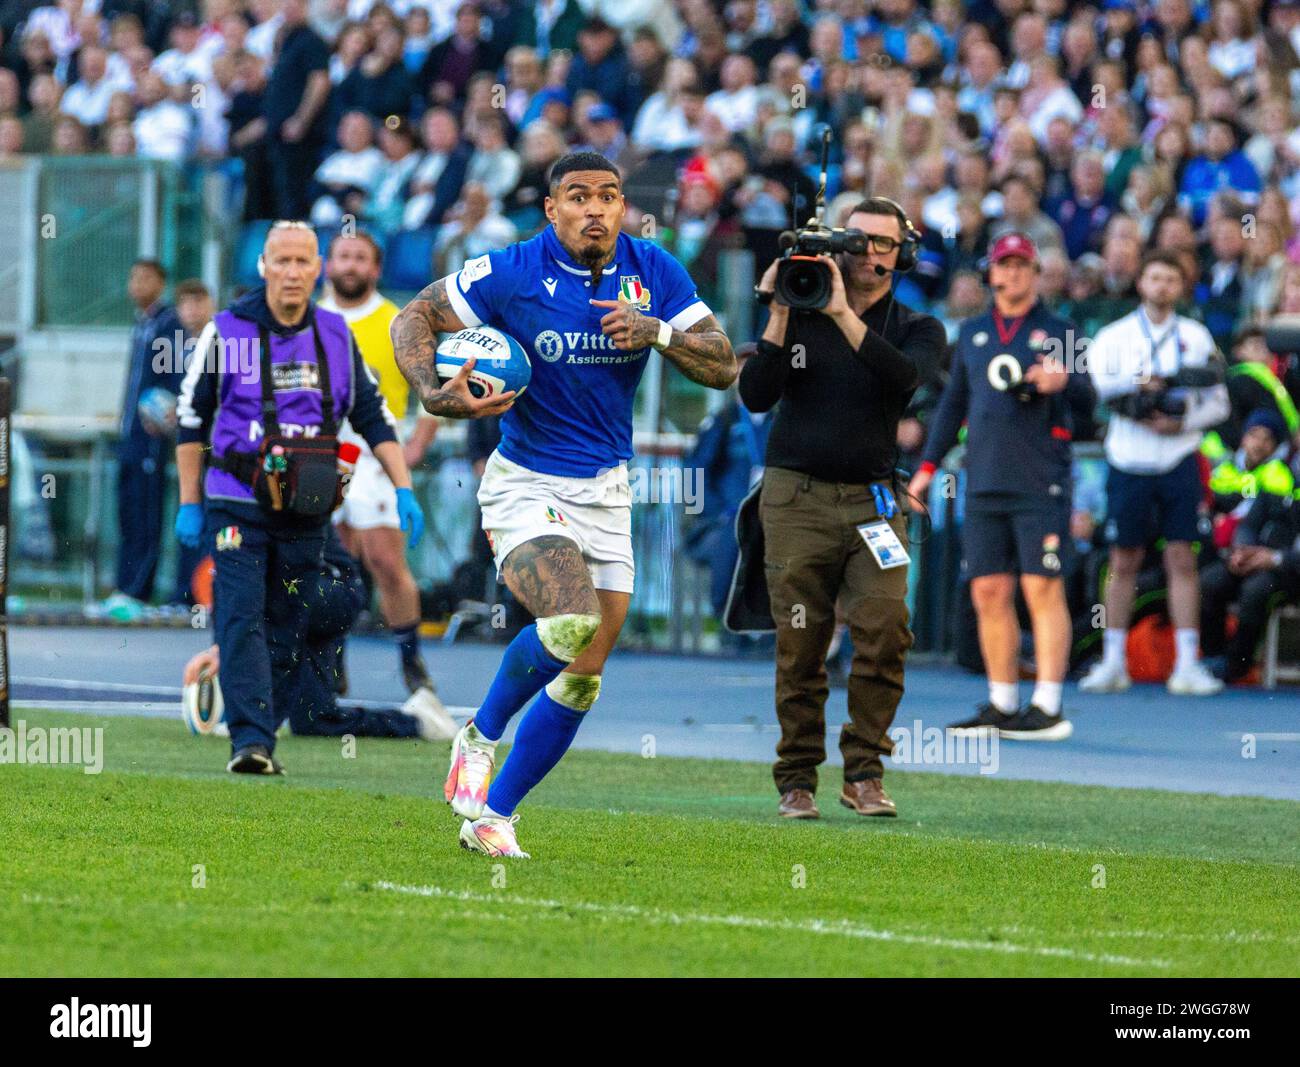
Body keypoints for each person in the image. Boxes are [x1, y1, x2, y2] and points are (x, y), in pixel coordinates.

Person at [393, 150, 736, 858]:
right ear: (552, 209)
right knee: (570, 619)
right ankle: (480, 734)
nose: (595, 209)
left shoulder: (654, 270)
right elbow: (415, 316)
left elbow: (723, 362)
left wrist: (658, 333)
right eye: (577, 196)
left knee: (583, 679)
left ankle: (492, 815)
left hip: (608, 491)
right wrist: (432, 388)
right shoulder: (512, 269)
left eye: (608, 196)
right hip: (526, 482)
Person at [175, 220, 426, 775]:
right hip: (235, 500)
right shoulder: (227, 331)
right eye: (280, 261)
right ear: (264, 266)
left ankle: (265, 719)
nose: (291, 272)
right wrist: (190, 502)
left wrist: (403, 488)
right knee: (239, 614)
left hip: (307, 506)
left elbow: (373, 417)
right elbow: (191, 422)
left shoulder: (336, 335)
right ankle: (251, 742)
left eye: (302, 262)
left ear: (318, 271)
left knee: (288, 621)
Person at [739, 196, 945, 820]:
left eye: (881, 244)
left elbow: (905, 379)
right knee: (801, 641)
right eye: (855, 240)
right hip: (795, 496)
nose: (865, 254)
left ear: (901, 255)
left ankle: (864, 771)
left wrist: (840, 314)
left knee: (886, 626)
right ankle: (796, 779)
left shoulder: (917, 327)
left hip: (873, 501)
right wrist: (780, 311)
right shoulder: (800, 312)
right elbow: (755, 394)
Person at [911, 233, 1095, 740]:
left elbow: (1088, 402)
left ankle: (1048, 703)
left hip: (1041, 478)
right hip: (985, 477)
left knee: (1042, 586)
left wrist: (1066, 383)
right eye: (1003, 265)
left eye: (1021, 265)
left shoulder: (1060, 331)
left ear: (1036, 273)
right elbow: (953, 406)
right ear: (990, 274)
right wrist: (927, 469)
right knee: (989, 589)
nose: (1011, 274)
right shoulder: (971, 332)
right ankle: (1002, 699)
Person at [1081, 249, 1230, 696]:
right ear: (1141, 284)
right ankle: (1112, 660)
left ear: (1180, 287)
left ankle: (1186, 663)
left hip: (1179, 456)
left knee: (1182, 559)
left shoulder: (1196, 336)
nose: (1162, 286)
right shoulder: (1113, 336)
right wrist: (1137, 389)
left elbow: (1219, 401)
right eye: (1155, 278)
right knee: (1122, 561)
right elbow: (1099, 392)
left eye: (1170, 279)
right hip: (1128, 458)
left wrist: (1181, 421)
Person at [181, 526, 457, 742]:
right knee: (315, 720)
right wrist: (223, 646)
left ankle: (259, 717)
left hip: (331, 591)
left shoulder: (274, 489)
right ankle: (419, 719)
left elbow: (268, 581)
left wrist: (224, 649)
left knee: (273, 602)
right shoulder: (232, 503)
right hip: (297, 599)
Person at [318, 231, 443, 699]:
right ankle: (332, 659)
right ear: (328, 265)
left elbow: (432, 388)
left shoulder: (396, 322)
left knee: (385, 558)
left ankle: (410, 658)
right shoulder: (309, 317)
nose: (350, 265)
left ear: (375, 268)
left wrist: (416, 445)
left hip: (373, 452)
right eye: (343, 256)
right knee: (330, 561)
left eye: (360, 258)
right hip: (319, 451)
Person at [103, 258, 182, 620]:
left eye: (145, 278)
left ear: (161, 284)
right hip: (129, 433)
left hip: (151, 436)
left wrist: (163, 413)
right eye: (133, 277)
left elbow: (172, 381)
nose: (136, 284)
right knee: (127, 509)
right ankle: (122, 587)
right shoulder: (141, 324)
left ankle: (138, 588)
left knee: (146, 511)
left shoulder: (168, 325)